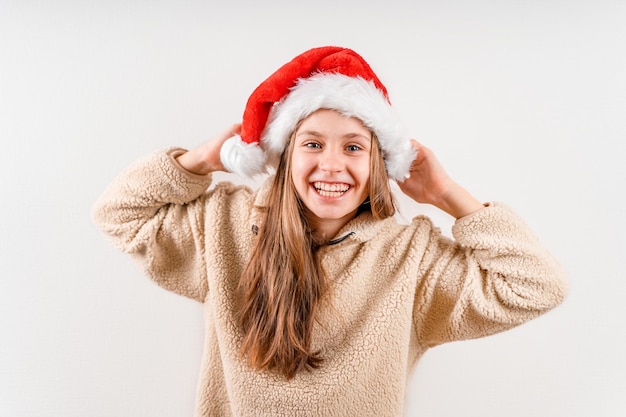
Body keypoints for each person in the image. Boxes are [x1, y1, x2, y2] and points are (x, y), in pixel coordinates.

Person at [92, 46, 568, 417]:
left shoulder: (411, 259)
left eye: (354, 147)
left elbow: (537, 286)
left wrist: (447, 194)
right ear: (285, 155)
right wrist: (199, 161)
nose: (332, 164)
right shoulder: (225, 225)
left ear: (379, 163)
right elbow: (118, 212)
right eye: (313, 143)